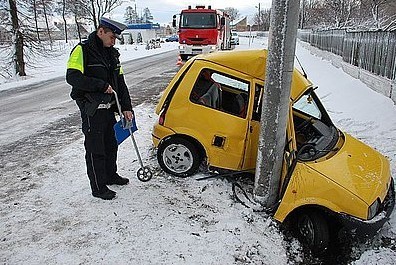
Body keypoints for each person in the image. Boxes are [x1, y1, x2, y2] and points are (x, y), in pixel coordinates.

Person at [66, 17, 133, 200]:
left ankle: (111, 176)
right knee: (96, 149)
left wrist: (126, 107)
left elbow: (120, 82)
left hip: (109, 108)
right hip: (92, 108)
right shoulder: (82, 50)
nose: (113, 41)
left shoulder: (112, 54)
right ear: (101, 32)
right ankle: (98, 187)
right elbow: (72, 77)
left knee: (111, 145)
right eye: (112, 37)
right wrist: (100, 86)